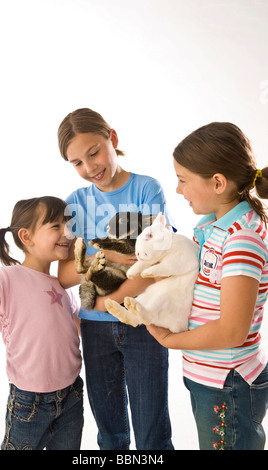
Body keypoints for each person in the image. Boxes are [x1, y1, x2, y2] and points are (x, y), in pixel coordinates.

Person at [57, 108, 175, 450]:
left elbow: (158, 263)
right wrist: (105, 253)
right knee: (110, 434)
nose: (89, 167)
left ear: (113, 138)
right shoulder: (75, 203)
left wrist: (111, 299)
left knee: (152, 433)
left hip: (142, 322)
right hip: (93, 328)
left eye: (93, 153)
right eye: (77, 162)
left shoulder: (147, 190)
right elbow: (64, 274)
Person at [147, 122, 268, 450]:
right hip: (210, 377)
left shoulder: (242, 238)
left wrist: (172, 340)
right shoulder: (211, 227)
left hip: (229, 381)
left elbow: (232, 331)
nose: (177, 190)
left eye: (183, 180)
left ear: (217, 182)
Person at [0, 196, 83, 450]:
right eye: (56, 226)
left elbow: (75, 331)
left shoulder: (63, 287)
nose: (67, 233)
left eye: (68, 226)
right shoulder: (8, 277)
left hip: (72, 395)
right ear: (26, 237)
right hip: (30, 401)